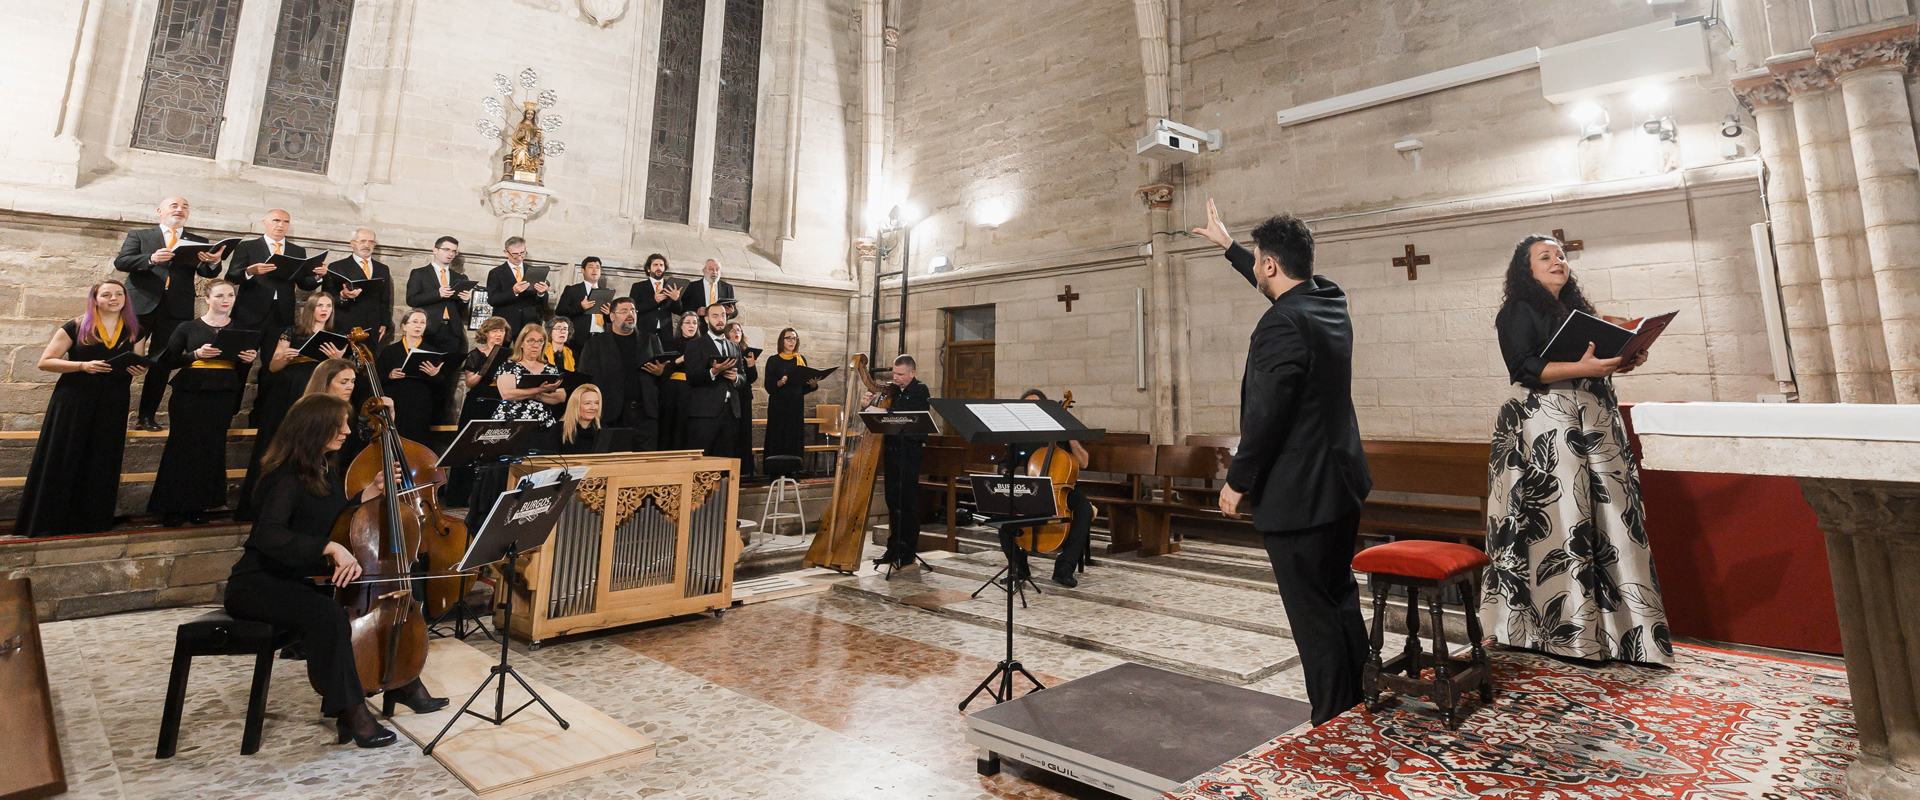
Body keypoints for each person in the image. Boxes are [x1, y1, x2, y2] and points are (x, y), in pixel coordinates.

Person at [1192, 199, 1372, 727]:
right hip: (1341, 485)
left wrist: (1238, 481)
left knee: (1313, 616)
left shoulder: (1279, 327)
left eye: (1256, 261)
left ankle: (1331, 720)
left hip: (1300, 495)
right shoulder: (1328, 302)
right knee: (1339, 598)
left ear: (1270, 264)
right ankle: (1360, 704)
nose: (1256, 269)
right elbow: (1281, 288)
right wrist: (1230, 248)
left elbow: (1267, 415)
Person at [1483, 234, 1668, 665]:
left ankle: (1623, 632)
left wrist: (1625, 357)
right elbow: (1523, 366)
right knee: (1562, 518)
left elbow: (1592, 361)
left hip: (1594, 420)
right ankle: (1560, 631)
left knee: (1608, 516)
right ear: (1525, 269)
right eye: (1544, 257)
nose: (1556, 261)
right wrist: (1584, 368)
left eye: (1561, 256)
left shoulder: (1578, 313)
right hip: (1547, 425)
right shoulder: (1517, 310)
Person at [223, 393, 447, 749]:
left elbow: (332, 516)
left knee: (358, 601)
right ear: (315, 428)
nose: (346, 431)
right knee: (327, 615)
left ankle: (396, 680)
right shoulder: (286, 477)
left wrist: (370, 492)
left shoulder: (322, 469)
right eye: (339, 424)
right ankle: (353, 713)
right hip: (257, 585)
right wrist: (329, 547)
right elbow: (268, 534)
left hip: (295, 580)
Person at [16, 281, 148, 537]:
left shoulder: (136, 330)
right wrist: (81, 366)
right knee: (64, 454)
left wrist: (139, 368)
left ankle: (91, 521)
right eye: (106, 294)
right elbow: (45, 362)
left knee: (102, 457)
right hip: (75, 399)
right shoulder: (76, 325)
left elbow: (138, 363)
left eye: (119, 294)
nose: (114, 298)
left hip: (113, 401)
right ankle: (48, 521)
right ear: (95, 299)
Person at [150, 280, 259, 527]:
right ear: (207, 298)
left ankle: (199, 506)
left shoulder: (241, 329)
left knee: (212, 449)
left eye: (230, 295)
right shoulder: (188, 327)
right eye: (220, 295)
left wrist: (248, 360)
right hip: (190, 390)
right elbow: (167, 361)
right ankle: (172, 507)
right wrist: (195, 355)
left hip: (223, 392)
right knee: (181, 447)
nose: (226, 300)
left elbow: (241, 369)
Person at [114, 196, 225, 431]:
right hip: (141, 305)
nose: (180, 209)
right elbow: (122, 261)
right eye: (174, 205)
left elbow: (206, 270)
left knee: (162, 362)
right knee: (124, 357)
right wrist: (151, 258)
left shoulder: (197, 241)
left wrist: (214, 262)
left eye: (185, 206)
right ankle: (114, 414)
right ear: (159, 210)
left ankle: (146, 417)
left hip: (176, 309)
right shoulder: (140, 235)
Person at [238, 293, 348, 520]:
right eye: (320, 305)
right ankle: (260, 505)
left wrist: (337, 359)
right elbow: (273, 367)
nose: (325, 310)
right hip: (290, 389)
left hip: (318, 390)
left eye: (328, 306)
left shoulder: (335, 337)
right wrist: (285, 358)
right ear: (310, 308)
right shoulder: (292, 331)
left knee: (314, 442)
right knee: (278, 441)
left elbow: (342, 371)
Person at [226, 209, 325, 425]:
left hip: (281, 317)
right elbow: (232, 275)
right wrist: (250, 271)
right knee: (240, 364)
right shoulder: (248, 247)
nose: (280, 225)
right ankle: (228, 412)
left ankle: (264, 415)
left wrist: (317, 277)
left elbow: (304, 283)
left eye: (285, 221)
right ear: (265, 222)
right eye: (276, 220)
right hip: (249, 315)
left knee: (274, 367)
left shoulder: (297, 250)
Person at [998, 389, 1094, 588]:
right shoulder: (1021, 433)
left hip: (1063, 489)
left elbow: (1083, 462)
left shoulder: (1065, 426)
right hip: (1034, 489)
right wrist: (1004, 469)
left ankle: (1064, 569)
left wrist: (1069, 433)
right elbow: (1006, 463)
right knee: (1002, 517)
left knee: (1084, 509)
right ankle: (1019, 569)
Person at [862, 355, 930, 568]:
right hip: (891, 452)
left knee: (907, 502)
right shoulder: (891, 392)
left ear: (912, 373)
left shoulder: (920, 390)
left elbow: (909, 415)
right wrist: (867, 406)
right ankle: (893, 550)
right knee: (893, 502)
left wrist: (882, 411)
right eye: (894, 373)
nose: (896, 378)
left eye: (900, 374)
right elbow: (880, 421)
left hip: (909, 452)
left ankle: (908, 551)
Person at [576, 297, 667, 450]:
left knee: (646, 464)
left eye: (633, 310)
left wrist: (660, 372)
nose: (630, 314)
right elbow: (585, 380)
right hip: (611, 415)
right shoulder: (595, 344)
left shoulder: (651, 340)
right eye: (624, 311)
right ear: (612, 316)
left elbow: (663, 374)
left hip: (645, 414)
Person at [683, 304, 747, 457]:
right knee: (703, 459)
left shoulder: (734, 346)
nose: (720, 320)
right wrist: (714, 371)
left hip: (731, 412)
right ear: (706, 319)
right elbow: (692, 377)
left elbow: (743, 377)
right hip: (705, 412)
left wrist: (736, 378)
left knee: (727, 459)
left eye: (723, 315)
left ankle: (725, 482)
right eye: (715, 316)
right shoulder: (695, 344)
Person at [493, 324, 569, 453]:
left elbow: (561, 396)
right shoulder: (509, 366)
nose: (536, 345)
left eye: (540, 341)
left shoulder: (550, 369)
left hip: (543, 426)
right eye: (531, 341)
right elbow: (507, 394)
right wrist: (539, 390)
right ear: (521, 343)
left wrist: (533, 395)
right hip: (513, 425)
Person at [404, 235, 474, 368]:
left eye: (454, 251)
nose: (450, 254)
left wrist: (465, 301)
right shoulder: (420, 273)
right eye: (446, 249)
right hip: (429, 329)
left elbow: (458, 307)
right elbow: (411, 299)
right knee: (424, 368)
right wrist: (438, 294)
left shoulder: (459, 277)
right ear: (435, 250)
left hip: (452, 330)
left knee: (447, 372)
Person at [378, 309, 445, 443]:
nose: (418, 326)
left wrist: (435, 375)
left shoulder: (432, 352)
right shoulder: (390, 351)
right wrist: (390, 375)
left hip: (420, 405)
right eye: (414, 322)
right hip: (396, 402)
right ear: (404, 326)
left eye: (422, 323)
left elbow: (442, 385)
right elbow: (377, 377)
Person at [762, 327, 820, 464]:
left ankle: (792, 470)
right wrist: (779, 383)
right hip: (779, 405)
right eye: (788, 338)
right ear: (781, 341)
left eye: (794, 338)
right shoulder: (773, 360)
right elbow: (768, 386)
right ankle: (774, 470)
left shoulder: (800, 359)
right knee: (777, 436)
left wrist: (813, 385)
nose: (791, 341)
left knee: (794, 436)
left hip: (795, 405)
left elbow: (803, 387)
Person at [326, 228, 393, 344]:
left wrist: (385, 323)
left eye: (371, 242)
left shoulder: (382, 269)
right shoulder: (337, 267)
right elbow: (327, 296)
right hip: (346, 325)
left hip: (373, 327)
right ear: (353, 243)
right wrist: (343, 296)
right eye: (362, 241)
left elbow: (385, 299)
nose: (367, 245)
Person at [485, 237, 551, 336]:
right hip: (506, 324)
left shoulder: (533, 271)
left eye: (522, 253)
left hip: (529, 323)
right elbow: (492, 299)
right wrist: (513, 292)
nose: (519, 258)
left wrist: (541, 293)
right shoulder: (496, 273)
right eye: (515, 254)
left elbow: (542, 303)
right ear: (506, 252)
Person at [458, 317, 513, 429]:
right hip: (479, 399)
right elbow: (469, 383)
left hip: (501, 398)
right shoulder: (475, 354)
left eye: (502, 331)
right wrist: (485, 368)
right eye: (494, 331)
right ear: (486, 333)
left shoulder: (511, 355)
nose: (499, 334)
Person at [659, 312, 702, 450]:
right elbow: (662, 371)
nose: (691, 326)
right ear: (681, 326)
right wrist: (680, 360)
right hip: (672, 390)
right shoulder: (669, 344)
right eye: (688, 322)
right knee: (670, 427)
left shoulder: (702, 345)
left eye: (695, 323)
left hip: (693, 390)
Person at [557, 384, 633, 454]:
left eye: (596, 403)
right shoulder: (558, 430)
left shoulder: (603, 431)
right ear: (575, 405)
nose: (593, 407)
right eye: (587, 403)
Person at [554, 256, 610, 352]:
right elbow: (559, 312)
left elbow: (609, 319)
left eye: (598, 267)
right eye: (591, 267)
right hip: (579, 340)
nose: (594, 270)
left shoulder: (605, 292)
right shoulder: (572, 290)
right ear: (583, 270)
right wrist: (580, 307)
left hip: (600, 337)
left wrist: (609, 314)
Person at [724, 322, 759, 475]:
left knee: (744, 432)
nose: (736, 333)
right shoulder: (723, 350)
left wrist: (751, 366)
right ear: (726, 334)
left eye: (739, 330)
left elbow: (752, 379)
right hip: (729, 397)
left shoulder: (745, 352)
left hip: (744, 396)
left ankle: (744, 468)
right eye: (732, 330)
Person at [629, 253, 683, 340]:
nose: (659, 268)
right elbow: (634, 309)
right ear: (648, 269)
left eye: (661, 265)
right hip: (645, 333)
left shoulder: (670, 286)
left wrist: (676, 300)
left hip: (666, 333)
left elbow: (678, 311)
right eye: (655, 265)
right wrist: (654, 301)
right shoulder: (638, 286)